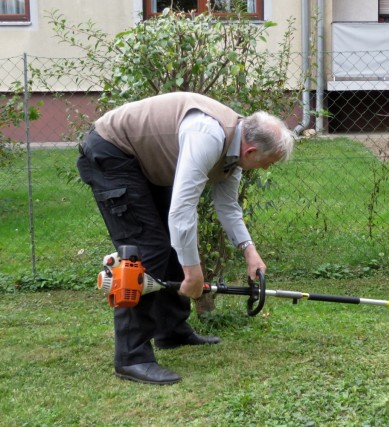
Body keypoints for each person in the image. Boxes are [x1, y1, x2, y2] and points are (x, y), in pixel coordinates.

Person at [77, 91, 295, 385]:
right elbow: (182, 211)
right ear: (252, 151)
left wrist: (249, 251)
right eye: (269, 162)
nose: (267, 168)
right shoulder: (208, 135)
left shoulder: (234, 153)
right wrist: (193, 274)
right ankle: (131, 357)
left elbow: (228, 207)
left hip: (141, 164)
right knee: (144, 250)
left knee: (171, 241)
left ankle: (171, 331)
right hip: (113, 151)